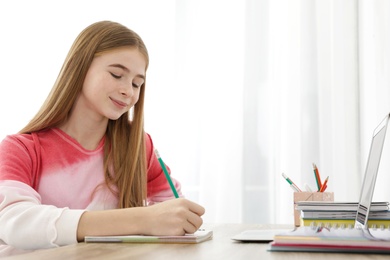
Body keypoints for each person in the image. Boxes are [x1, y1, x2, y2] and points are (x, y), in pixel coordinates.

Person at [0, 20, 205, 255]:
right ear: (80, 68)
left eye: (137, 83)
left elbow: (174, 212)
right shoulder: (21, 149)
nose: (128, 90)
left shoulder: (138, 147)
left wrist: (177, 219)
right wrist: (141, 219)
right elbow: (13, 222)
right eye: (117, 75)